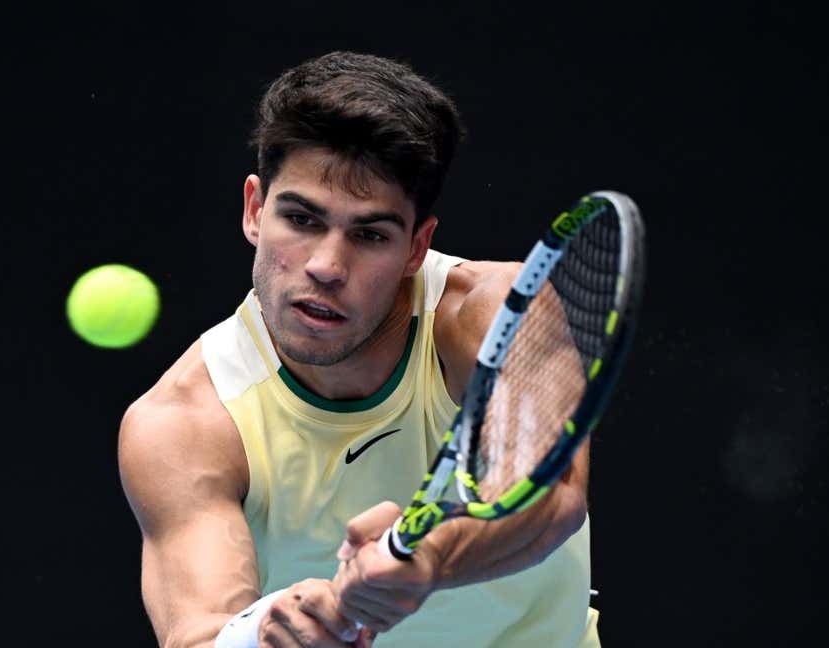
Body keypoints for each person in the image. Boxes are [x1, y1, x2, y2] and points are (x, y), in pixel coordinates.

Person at [118, 51, 600, 647]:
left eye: (370, 234)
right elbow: (197, 634)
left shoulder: (499, 318)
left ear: (417, 248)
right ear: (253, 210)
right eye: (301, 218)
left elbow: (550, 496)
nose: (326, 266)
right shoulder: (184, 424)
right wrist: (262, 638)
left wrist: (432, 557)